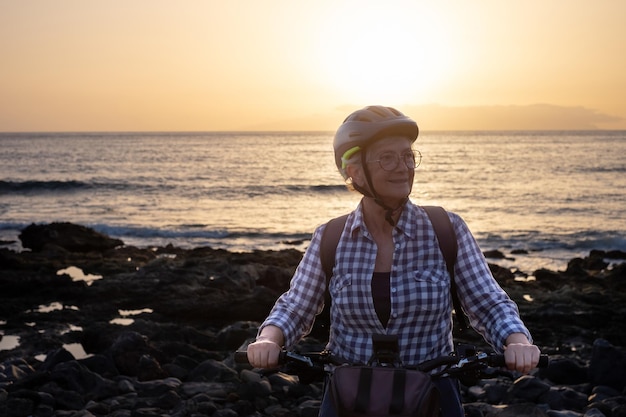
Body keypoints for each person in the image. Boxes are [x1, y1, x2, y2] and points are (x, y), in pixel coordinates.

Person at [246, 105, 541, 417]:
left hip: (431, 396)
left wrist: (517, 342)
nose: (403, 167)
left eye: (407, 155)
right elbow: (295, 307)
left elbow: (488, 302)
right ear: (354, 170)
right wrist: (268, 340)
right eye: (387, 157)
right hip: (350, 398)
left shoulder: (446, 229)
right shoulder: (331, 237)